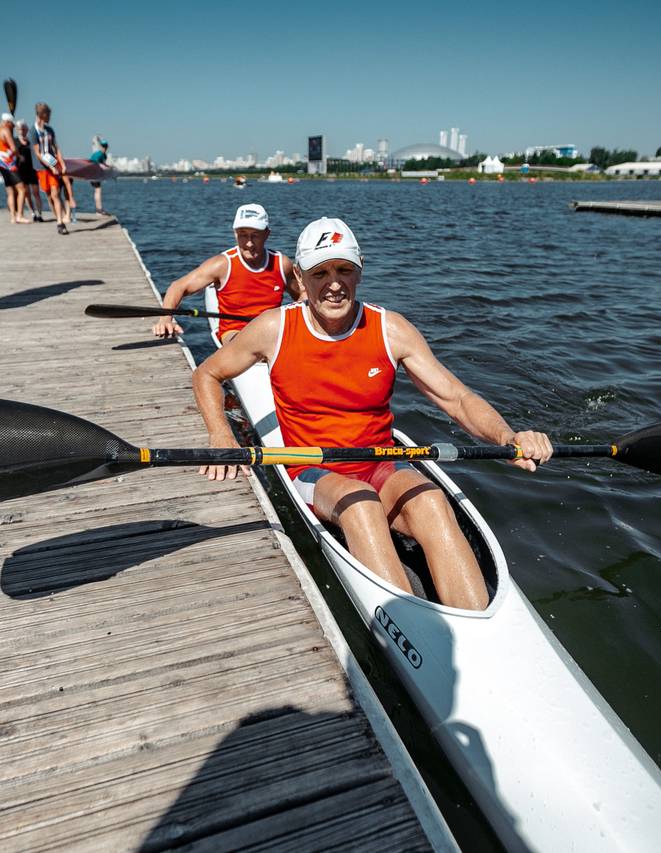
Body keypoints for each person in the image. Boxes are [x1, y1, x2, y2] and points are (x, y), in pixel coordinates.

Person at [191, 217, 553, 611]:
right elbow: (207, 374)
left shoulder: (391, 329)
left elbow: (457, 398)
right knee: (360, 502)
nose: (334, 283)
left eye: (344, 270)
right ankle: (415, 626)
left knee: (432, 501)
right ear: (300, 276)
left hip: (379, 461)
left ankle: (479, 627)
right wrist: (221, 435)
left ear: (360, 269)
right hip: (313, 468)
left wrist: (508, 437)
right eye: (320, 272)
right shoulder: (273, 328)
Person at [153, 203, 300, 342]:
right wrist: (166, 319)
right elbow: (178, 286)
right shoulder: (222, 265)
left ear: (267, 234)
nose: (249, 243)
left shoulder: (282, 264)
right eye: (243, 235)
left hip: (270, 330)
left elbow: (302, 295)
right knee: (248, 344)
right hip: (234, 333)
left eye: (255, 235)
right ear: (235, 234)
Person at [32, 102, 69, 234]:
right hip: (41, 167)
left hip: (52, 164)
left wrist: (61, 164)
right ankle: (57, 217)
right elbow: (38, 153)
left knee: (56, 193)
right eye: (49, 114)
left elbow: (56, 148)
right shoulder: (33, 131)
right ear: (42, 115)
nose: (50, 117)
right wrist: (49, 166)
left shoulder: (50, 130)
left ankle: (60, 223)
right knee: (49, 195)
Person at [0, 112, 28, 223]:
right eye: (11, 125)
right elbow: (13, 148)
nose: (12, 127)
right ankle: (19, 215)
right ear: (7, 122)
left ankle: (12, 217)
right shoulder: (5, 130)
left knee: (10, 191)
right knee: (22, 189)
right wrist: (20, 157)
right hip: (8, 162)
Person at [14, 120, 42, 221]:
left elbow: (37, 153)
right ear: (17, 130)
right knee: (26, 193)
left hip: (32, 169)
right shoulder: (14, 141)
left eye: (24, 129)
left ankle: (39, 214)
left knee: (36, 192)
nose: (22, 131)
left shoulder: (31, 141)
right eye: (20, 129)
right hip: (21, 171)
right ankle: (32, 212)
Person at [89, 136, 110, 215]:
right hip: (93, 174)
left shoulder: (104, 155)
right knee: (98, 190)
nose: (104, 148)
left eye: (105, 146)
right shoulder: (99, 154)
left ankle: (99, 209)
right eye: (103, 146)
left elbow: (103, 164)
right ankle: (99, 210)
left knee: (97, 191)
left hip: (97, 175)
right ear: (101, 146)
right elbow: (95, 163)